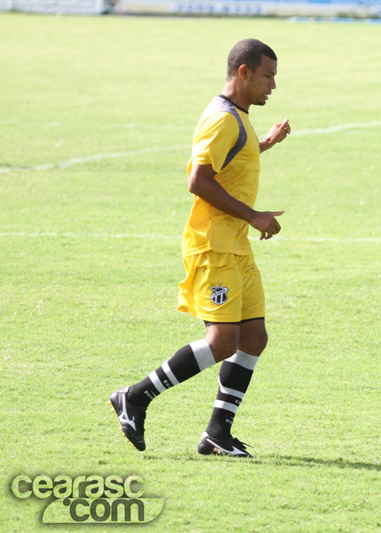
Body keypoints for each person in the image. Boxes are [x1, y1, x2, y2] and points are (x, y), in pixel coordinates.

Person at [110, 38, 291, 457]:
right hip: (213, 245)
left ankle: (217, 433)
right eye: (267, 76)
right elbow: (198, 180)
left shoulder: (237, 116)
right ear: (243, 72)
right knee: (222, 341)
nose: (273, 85)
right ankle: (134, 397)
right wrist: (253, 215)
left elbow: (231, 160)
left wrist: (264, 143)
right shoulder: (223, 119)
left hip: (236, 246)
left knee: (253, 336)